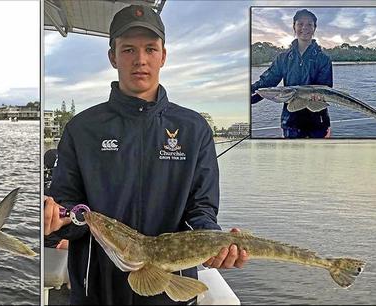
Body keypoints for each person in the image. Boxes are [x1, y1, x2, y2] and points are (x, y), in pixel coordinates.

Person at [43, 5, 248, 305]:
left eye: (150, 49)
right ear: (113, 56)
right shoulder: (81, 129)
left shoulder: (194, 129)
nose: (140, 60)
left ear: (163, 55)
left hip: (171, 294)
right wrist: (54, 220)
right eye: (128, 50)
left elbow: (201, 211)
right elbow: (69, 209)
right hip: (97, 294)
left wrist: (213, 244)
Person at [251, 9, 333, 138]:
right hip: (291, 124)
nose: (304, 28)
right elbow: (265, 83)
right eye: (300, 24)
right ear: (294, 27)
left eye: (309, 24)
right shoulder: (282, 58)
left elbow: (325, 88)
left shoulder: (324, 59)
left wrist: (317, 98)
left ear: (314, 28)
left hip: (318, 123)